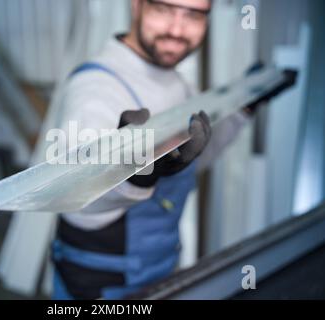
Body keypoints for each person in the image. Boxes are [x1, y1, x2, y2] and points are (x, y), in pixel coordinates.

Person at [50, 0, 253, 299]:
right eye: (164, 9)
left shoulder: (177, 84)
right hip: (102, 283)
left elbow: (197, 159)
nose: (176, 29)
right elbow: (72, 200)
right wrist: (131, 176)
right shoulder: (95, 88)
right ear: (136, 5)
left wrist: (243, 109)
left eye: (193, 16)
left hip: (160, 266)